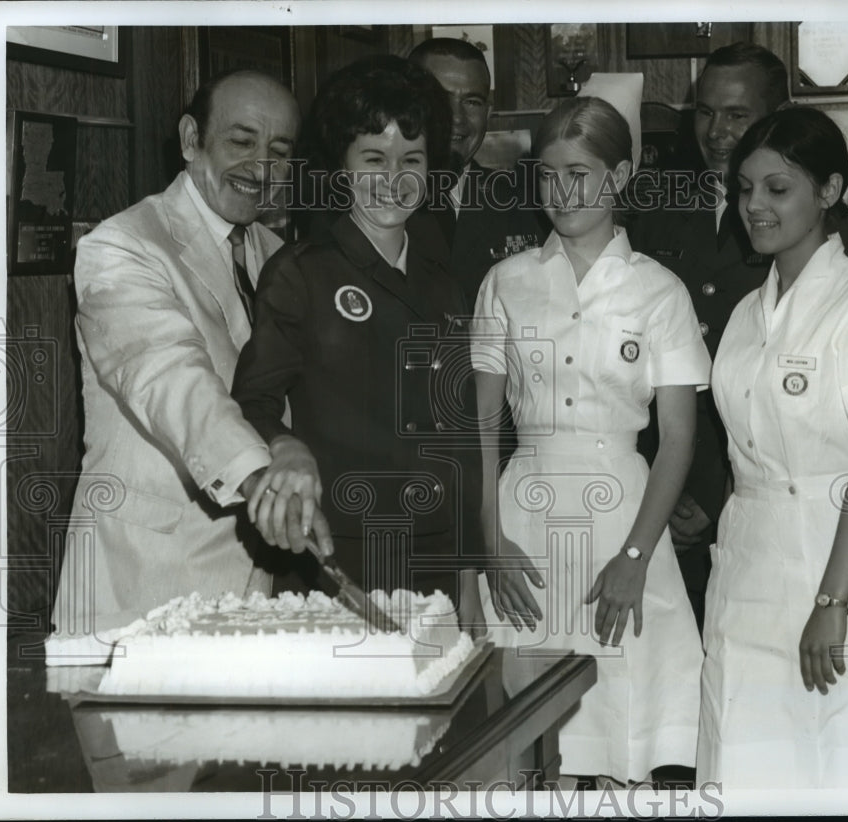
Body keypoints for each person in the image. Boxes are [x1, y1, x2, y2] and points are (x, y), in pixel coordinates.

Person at [699, 106, 848, 788]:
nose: (754, 206)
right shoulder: (748, 314)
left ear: (829, 192)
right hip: (747, 568)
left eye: (778, 189)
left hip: (833, 568)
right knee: (746, 756)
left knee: (842, 763)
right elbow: (744, 452)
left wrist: (832, 604)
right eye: (745, 188)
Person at [471, 96, 709, 784]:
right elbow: (484, 425)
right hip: (525, 524)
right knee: (529, 744)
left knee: (620, 739)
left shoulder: (659, 292)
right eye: (547, 174)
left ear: (621, 176)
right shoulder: (505, 283)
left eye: (580, 172)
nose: (562, 191)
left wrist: (636, 556)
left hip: (625, 524)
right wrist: (489, 541)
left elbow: (677, 442)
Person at [51, 70, 328, 637]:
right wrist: (261, 481)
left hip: (255, 586)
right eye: (241, 142)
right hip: (141, 589)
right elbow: (172, 376)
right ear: (189, 140)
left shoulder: (278, 256)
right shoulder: (120, 246)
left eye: (280, 150)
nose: (262, 169)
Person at [232, 56, 483, 627]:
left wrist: (469, 574)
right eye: (374, 158)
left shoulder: (443, 281)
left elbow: (463, 437)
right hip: (337, 553)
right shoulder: (300, 272)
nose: (394, 177)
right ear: (341, 167)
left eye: (411, 160)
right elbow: (254, 401)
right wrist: (284, 446)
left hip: (437, 551)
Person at [629, 42, 848, 632]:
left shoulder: (827, 227)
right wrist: (665, 485)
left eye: (737, 115)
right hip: (658, 488)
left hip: (752, 498)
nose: (716, 132)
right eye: (705, 112)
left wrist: (713, 498)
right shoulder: (652, 207)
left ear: (777, 112)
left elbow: (816, 392)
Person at [408, 37, 547, 310]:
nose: (456, 118)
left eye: (472, 102)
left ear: (488, 112)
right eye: (439, 99)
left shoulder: (531, 205)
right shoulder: (368, 200)